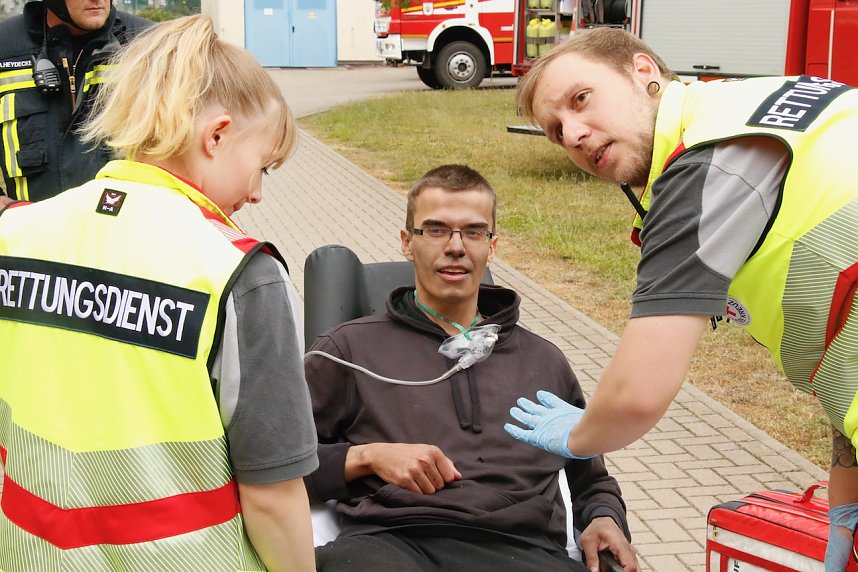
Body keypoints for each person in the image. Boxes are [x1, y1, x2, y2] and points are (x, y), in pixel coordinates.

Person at [504, 27, 858, 570]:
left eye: (581, 99)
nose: (573, 133)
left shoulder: (702, 165)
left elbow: (638, 393)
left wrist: (579, 435)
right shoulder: (748, 106)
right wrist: (846, 492)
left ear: (643, 73)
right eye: (555, 131)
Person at [0, 15, 317, 571]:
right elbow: (272, 499)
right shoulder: (238, 270)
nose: (258, 194)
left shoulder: (17, 236)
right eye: (261, 166)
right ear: (216, 136)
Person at [304, 164, 639, 572]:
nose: (456, 246)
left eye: (474, 231)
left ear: (492, 247)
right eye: (437, 229)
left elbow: (589, 476)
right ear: (407, 243)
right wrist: (365, 457)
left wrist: (604, 517)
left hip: (521, 549)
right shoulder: (346, 351)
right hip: (391, 544)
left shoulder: (543, 360)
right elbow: (277, 464)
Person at [0, 0, 149, 206]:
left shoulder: (150, 45)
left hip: (125, 233)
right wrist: (7, 208)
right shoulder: (5, 47)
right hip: (35, 235)